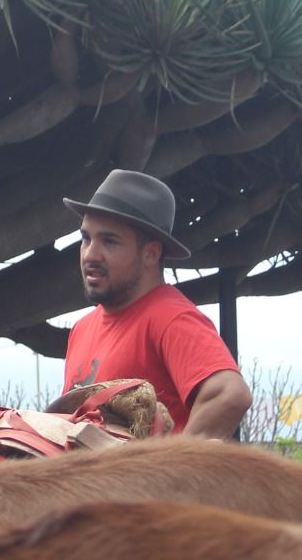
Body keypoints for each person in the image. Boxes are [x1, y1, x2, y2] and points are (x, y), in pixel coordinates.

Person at [60, 169, 252, 438]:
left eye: (109, 241)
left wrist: (169, 475)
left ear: (150, 253)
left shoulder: (170, 316)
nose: (90, 254)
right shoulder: (82, 328)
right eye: (86, 238)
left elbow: (230, 394)